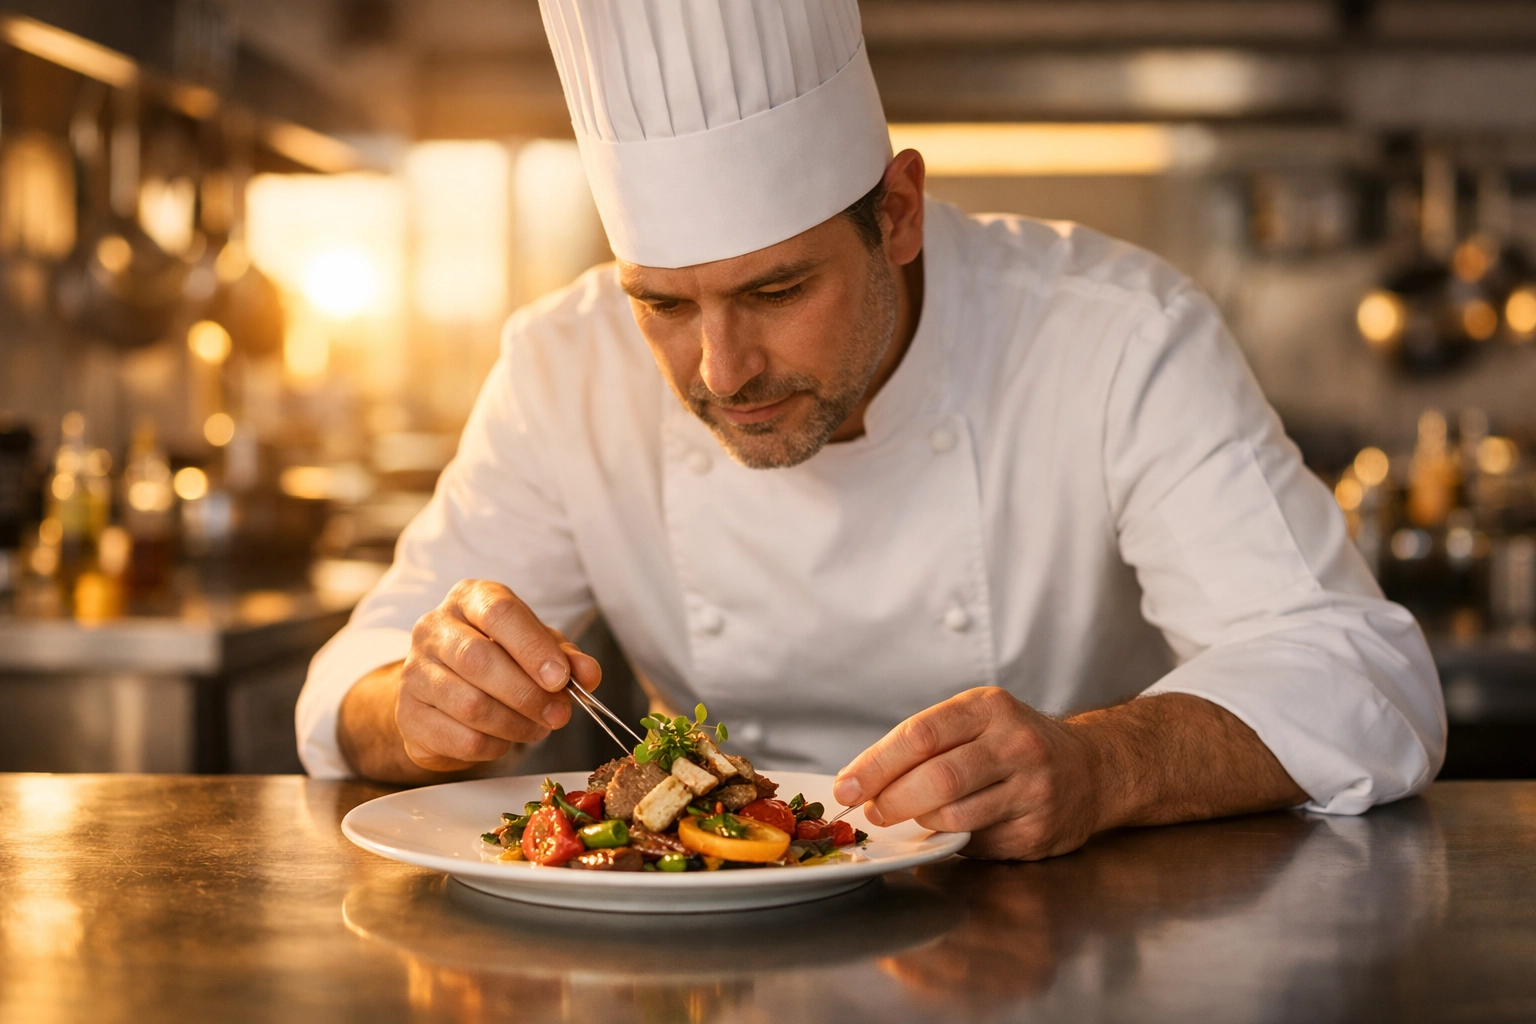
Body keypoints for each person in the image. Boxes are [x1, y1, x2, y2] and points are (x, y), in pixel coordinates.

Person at [296, 0, 1445, 860]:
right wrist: (417, 704)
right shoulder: (562, 366)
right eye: (662, 303)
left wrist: (1102, 764)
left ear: (896, 213)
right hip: (711, 963)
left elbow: (1361, 678)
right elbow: (351, 683)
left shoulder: (1116, 336)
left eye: (776, 293)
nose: (719, 369)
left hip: (1069, 946)